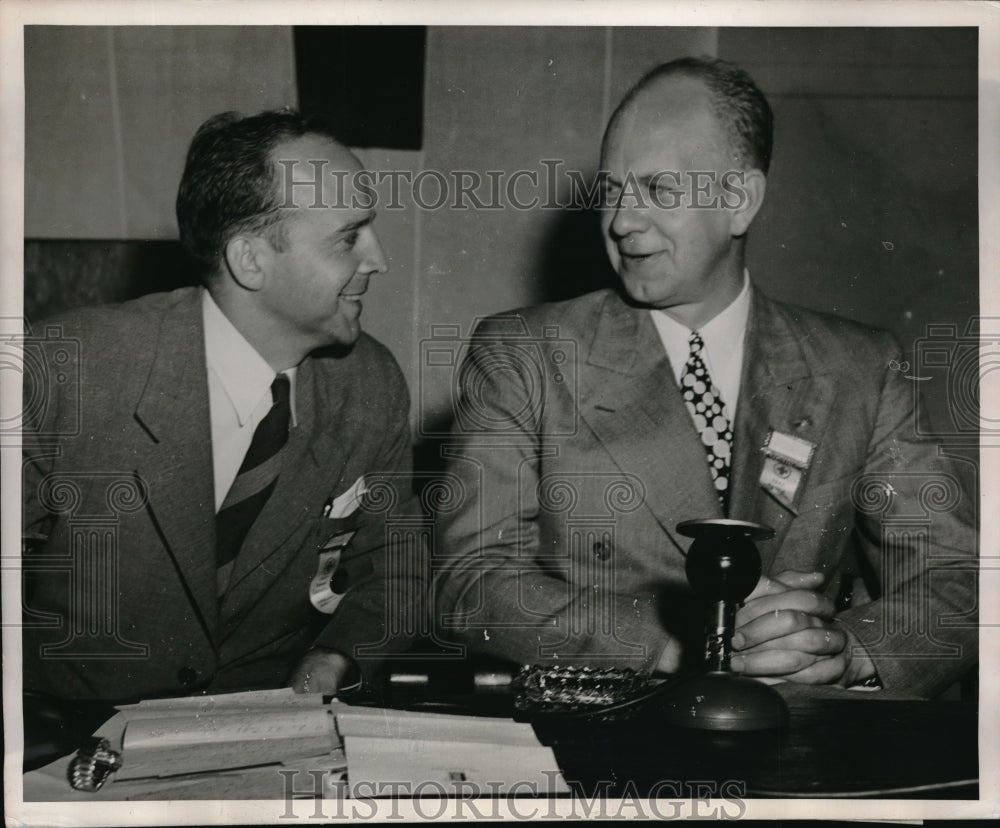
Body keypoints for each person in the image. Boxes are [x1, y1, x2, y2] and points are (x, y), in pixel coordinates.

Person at [435, 58, 977, 698]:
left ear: (739, 201)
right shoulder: (524, 355)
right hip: (601, 750)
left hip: (791, 748)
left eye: (660, 190)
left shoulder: (859, 368)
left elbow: (958, 577)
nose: (622, 222)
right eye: (612, 190)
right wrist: (688, 635)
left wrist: (847, 650)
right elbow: (469, 581)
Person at [22, 110, 419, 703]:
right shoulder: (63, 370)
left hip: (265, 743)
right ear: (250, 260)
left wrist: (337, 654)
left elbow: (395, 566)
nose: (379, 259)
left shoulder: (370, 384)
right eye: (348, 236)